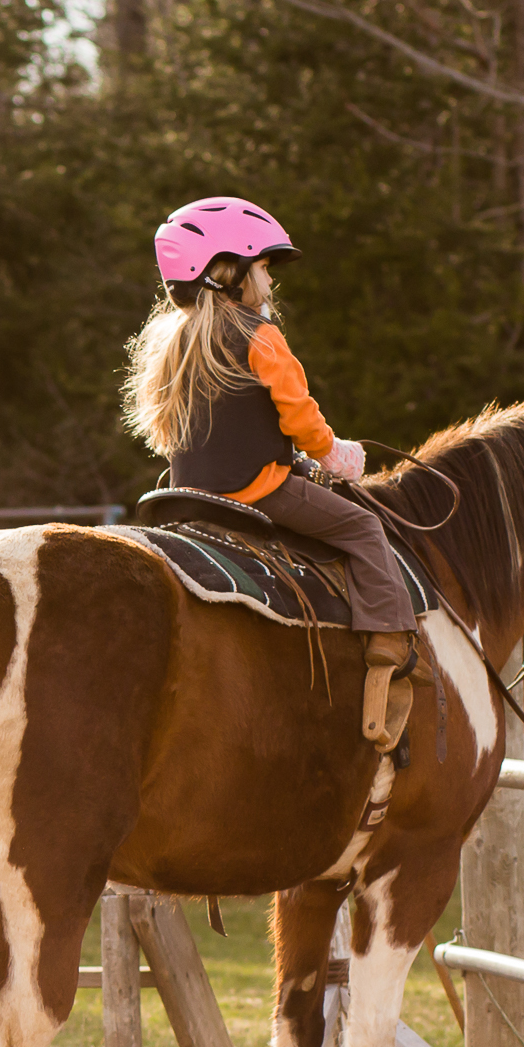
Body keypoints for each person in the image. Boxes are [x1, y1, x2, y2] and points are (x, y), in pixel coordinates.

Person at [122, 195, 431, 751]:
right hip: (258, 490)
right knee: (363, 530)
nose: (269, 282)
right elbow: (299, 416)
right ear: (226, 271)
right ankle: (391, 642)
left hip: (185, 497)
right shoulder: (260, 336)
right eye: (263, 267)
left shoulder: (172, 344)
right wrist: (336, 455)